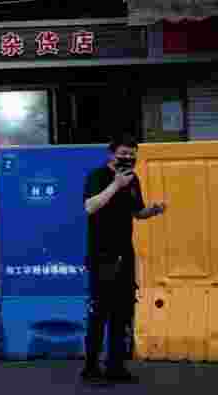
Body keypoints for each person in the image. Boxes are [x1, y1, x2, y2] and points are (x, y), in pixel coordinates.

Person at [80, 135, 166, 385]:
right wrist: (116, 185)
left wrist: (151, 211)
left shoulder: (133, 179)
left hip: (124, 255)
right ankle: (91, 368)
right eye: (123, 154)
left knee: (122, 313)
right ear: (111, 154)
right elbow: (90, 207)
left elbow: (136, 212)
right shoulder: (97, 176)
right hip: (102, 256)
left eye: (132, 154)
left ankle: (115, 366)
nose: (128, 158)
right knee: (100, 313)